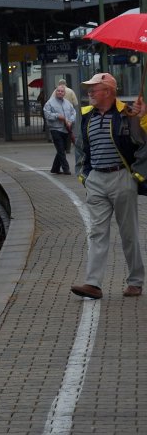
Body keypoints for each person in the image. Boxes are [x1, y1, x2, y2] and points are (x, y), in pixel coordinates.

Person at [71, 72, 147, 300]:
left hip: (122, 177)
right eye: (89, 89)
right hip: (96, 180)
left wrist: (142, 117)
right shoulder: (86, 116)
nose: (90, 93)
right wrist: (84, 176)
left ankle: (135, 282)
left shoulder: (128, 113)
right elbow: (81, 148)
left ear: (108, 92)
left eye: (94, 89)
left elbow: (144, 140)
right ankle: (93, 284)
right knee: (96, 232)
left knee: (129, 233)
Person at [43, 84, 76, 175]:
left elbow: (73, 113)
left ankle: (55, 169)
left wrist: (70, 121)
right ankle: (66, 169)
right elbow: (47, 115)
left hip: (66, 129)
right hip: (55, 129)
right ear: (55, 92)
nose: (60, 92)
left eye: (62, 91)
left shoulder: (67, 103)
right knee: (61, 150)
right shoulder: (49, 103)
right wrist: (57, 116)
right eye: (58, 91)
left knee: (62, 150)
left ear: (64, 93)